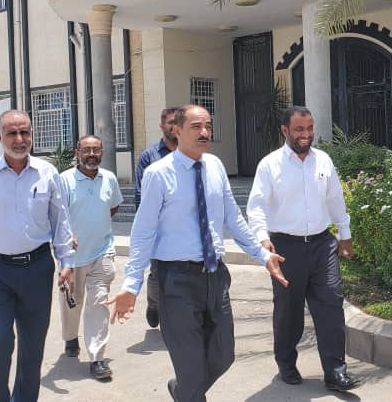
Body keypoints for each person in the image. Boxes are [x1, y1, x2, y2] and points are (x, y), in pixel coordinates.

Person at [107, 104, 289, 402]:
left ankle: (182, 391)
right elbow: (143, 232)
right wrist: (131, 284)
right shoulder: (158, 174)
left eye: (208, 126)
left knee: (223, 356)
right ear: (176, 130)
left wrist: (261, 254)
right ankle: (189, 391)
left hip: (216, 277)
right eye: (196, 127)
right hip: (177, 281)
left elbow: (232, 217)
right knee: (191, 371)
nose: (205, 132)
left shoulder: (215, 166)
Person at [0, 109, 77, 402]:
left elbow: (60, 220)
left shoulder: (47, 172)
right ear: (0, 137)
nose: (19, 139)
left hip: (37, 268)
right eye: (12, 133)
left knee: (33, 345)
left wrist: (67, 262)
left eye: (25, 132)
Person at [245, 105, 360, 392]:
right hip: (286, 248)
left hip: (322, 246)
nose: (306, 134)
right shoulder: (270, 165)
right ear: (285, 130)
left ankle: (336, 372)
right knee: (289, 311)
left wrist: (344, 235)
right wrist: (263, 239)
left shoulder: (323, 160)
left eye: (309, 128)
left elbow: (335, 199)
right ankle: (286, 362)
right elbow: (256, 207)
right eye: (299, 129)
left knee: (331, 305)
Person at [57, 134, 123, 380]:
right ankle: (70, 336)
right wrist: (68, 237)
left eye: (96, 150)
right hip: (72, 257)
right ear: (77, 153)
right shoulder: (65, 180)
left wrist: (96, 224)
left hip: (102, 251)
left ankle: (97, 358)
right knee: (71, 302)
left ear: (102, 152)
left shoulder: (109, 178)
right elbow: (57, 215)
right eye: (86, 150)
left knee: (99, 304)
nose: (92, 155)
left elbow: (113, 207)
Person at [133, 106, 179, 328]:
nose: (174, 127)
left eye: (178, 122)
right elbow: (140, 194)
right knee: (157, 273)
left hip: (183, 227)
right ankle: (154, 304)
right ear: (162, 126)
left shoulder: (190, 153)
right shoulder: (149, 156)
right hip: (158, 227)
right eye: (170, 122)